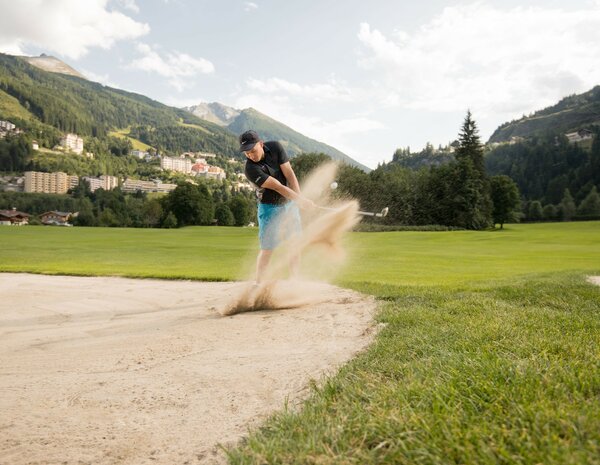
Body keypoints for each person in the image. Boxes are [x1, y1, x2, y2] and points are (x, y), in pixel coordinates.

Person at [240, 129, 314, 283]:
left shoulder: (275, 147)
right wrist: (300, 200)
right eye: (246, 153)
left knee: (294, 244)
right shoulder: (250, 169)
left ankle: (295, 280)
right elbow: (278, 187)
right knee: (268, 249)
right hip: (269, 208)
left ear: (261, 144)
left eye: (252, 151)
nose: (250, 155)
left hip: (289, 205)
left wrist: (299, 198)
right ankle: (259, 284)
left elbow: (289, 174)